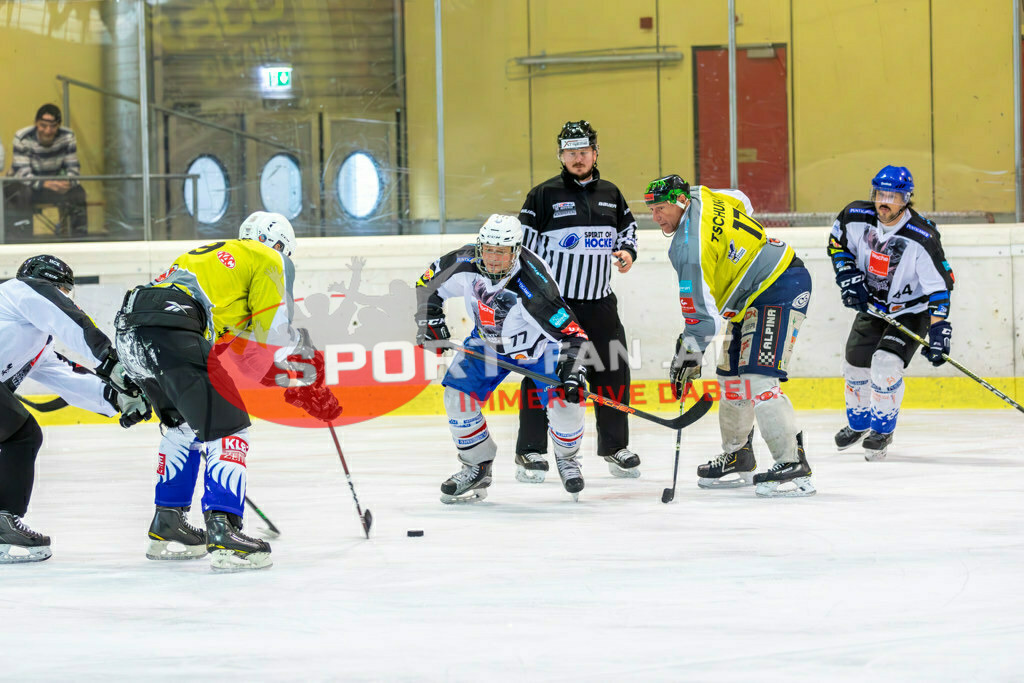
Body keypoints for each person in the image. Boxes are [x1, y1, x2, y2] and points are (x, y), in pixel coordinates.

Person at [114, 211, 341, 571]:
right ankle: (224, 530)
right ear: (278, 244)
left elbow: (251, 362)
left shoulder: (218, 267)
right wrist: (306, 359)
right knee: (229, 428)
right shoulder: (269, 258)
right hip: (173, 329)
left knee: (184, 428)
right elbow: (274, 335)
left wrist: (292, 384)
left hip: (132, 333)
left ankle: (168, 523)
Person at [644, 174, 815, 498]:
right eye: (651, 210)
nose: (655, 218)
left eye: (661, 209)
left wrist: (686, 357)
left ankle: (793, 462)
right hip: (750, 295)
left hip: (779, 286)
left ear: (680, 201)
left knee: (758, 378)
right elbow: (741, 200)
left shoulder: (688, 248)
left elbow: (703, 321)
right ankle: (739, 454)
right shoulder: (701, 194)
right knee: (731, 378)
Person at [415, 214, 591, 503]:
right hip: (486, 344)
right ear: (479, 246)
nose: (493, 258)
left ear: (516, 251)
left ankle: (567, 457)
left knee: (566, 403)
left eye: (502, 252)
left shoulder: (535, 286)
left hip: (539, 348)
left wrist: (573, 370)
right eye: (488, 250)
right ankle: (477, 466)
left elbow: (574, 335)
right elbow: (426, 285)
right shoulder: (463, 261)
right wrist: (430, 319)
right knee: (457, 398)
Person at [0, 255, 150, 563]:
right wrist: (111, 361)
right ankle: (3, 524)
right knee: (22, 435)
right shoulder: (19, 290)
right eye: (62, 291)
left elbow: (65, 375)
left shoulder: (33, 337)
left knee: (17, 432)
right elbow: (69, 319)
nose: (65, 298)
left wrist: (117, 398)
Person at [514, 120, 640, 483]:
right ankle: (530, 450)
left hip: (601, 305)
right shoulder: (543, 195)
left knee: (613, 371)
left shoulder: (611, 193)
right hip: (556, 308)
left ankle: (615, 447)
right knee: (542, 375)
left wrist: (627, 252)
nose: (578, 158)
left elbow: (627, 230)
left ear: (596, 153)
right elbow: (522, 248)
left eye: (584, 151)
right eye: (571, 153)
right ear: (560, 156)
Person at [828, 165, 954, 460]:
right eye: (879, 194)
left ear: (906, 199)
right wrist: (848, 276)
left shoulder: (921, 237)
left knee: (885, 363)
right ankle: (859, 424)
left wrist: (939, 330)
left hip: (912, 310)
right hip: (873, 306)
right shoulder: (855, 216)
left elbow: (939, 288)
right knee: (854, 364)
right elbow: (837, 245)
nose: (884, 202)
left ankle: (882, 430)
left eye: (892, 197)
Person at [5, 104, 88, 240]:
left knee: (78, 193)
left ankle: (79, 241)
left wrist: (67, 183)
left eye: (53, 126)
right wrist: (46, 183)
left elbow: (73, 168)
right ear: (36, 123)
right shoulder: (22, 137)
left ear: (59, 125)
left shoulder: (68, 136)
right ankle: (23, 241)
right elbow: (23, 174)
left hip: (53, 185)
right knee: (22, 193)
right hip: (25, 185)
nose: (48, 131)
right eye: (43, 126)